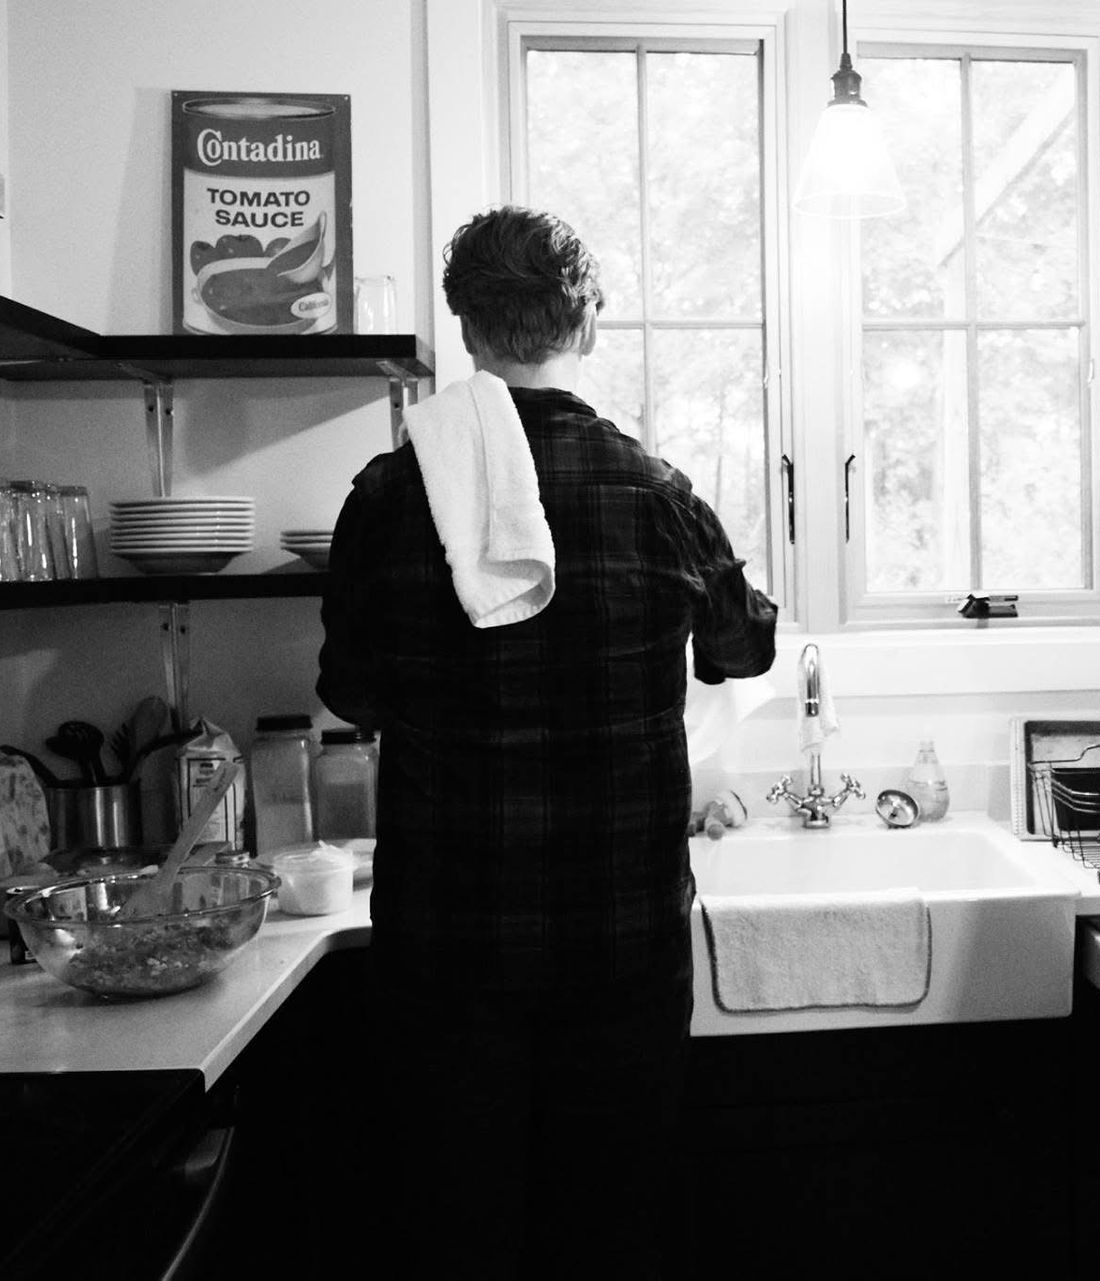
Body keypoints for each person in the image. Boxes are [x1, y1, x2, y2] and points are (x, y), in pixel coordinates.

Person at [317, 206, 778, 1276]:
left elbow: (352, 695)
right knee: (608, 1236)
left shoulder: (392, 495)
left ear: (465, 325)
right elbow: (742, 652)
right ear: (590, 322)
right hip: (619, 955)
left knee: (453, 1234)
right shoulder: (658, 492)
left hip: (446, 957)